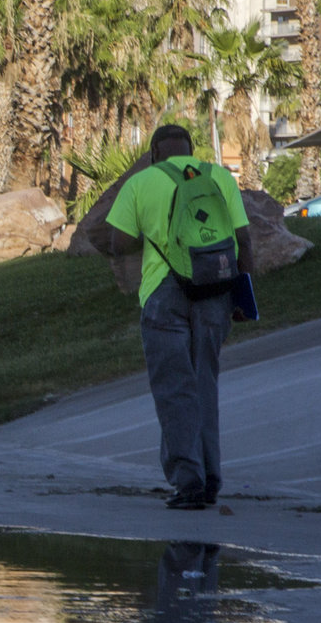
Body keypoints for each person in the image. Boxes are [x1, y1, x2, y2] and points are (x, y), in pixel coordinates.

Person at [104, 123, 251, 510]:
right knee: (205, 383)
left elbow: (118, 244)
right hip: (216, 292)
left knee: (174, 390)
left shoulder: (142, 182)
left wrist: (150, 232)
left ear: (154, 153)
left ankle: (189, 482)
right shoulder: (218, 176)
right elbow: (245, 240)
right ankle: (211, 477)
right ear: (190, 149)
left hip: (163, 293)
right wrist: (241, 296)